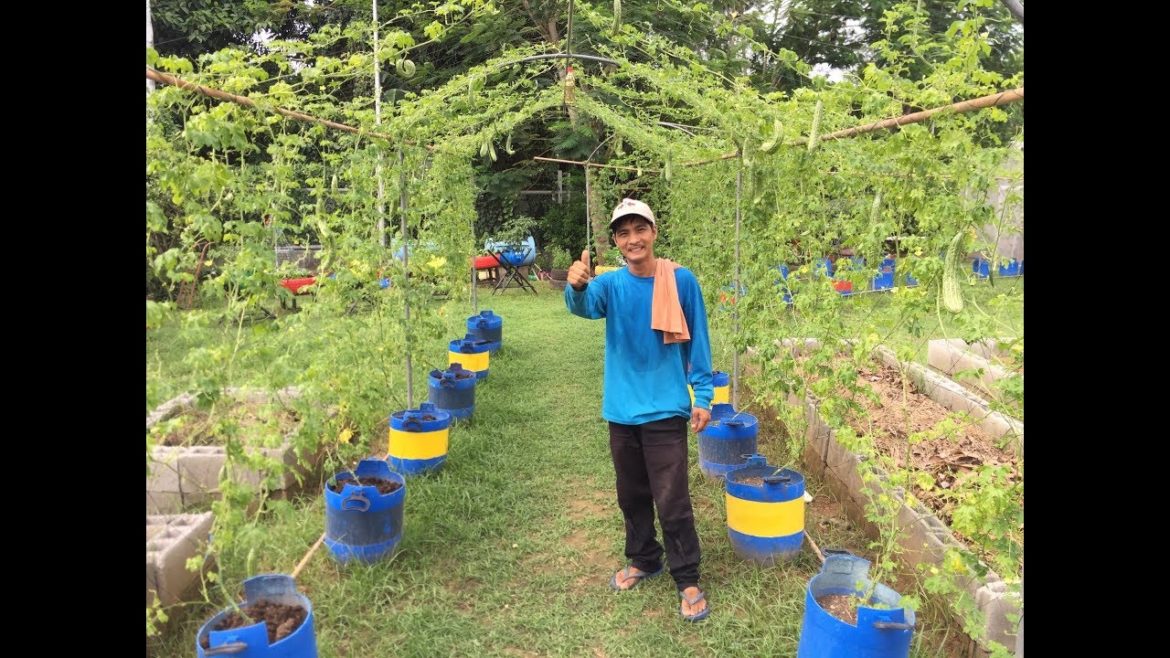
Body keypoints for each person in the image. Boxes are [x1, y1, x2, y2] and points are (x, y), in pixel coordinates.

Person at [564, 198, 714, 622]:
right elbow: (583, 306)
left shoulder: (681, 281)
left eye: (640, 229)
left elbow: (697, 340)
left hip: (666, 408)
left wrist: (702, 396)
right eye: (624, 233)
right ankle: (645, 558)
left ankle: (687, 577)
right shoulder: (610, 286)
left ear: (654, 232)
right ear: (616, 241)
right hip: (622, 411)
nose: (633, 239)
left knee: (672, 500)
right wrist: (576, 284)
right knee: (631, 495)